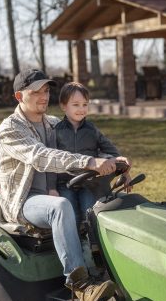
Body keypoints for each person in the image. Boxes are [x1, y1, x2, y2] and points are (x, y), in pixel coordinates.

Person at [0, 68, 123, 301]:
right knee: (61, 206)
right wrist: (88, 161)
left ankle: (105, 268)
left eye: (47, 90)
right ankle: (80, 284)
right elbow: (41, 157)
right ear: (19, 97)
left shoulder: (53, 123)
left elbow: (86, 141)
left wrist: (114, 159)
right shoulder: (10, 130)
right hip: (24, 200)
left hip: (54, 192)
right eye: (36, 92)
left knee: (103, 204)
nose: (44, 96)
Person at [52, 81, 131, 224]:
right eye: (76, 105)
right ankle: (75, 241)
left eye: (85, 104)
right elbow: (50, 161)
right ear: (64, 106)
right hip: (64, 183)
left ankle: (90, 242)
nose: (81, 109)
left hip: (88, 182)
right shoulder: (56, 131)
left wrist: (123, 167)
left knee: (90, 213)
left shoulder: (91, 130)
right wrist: (51, 187)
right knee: (69, 215)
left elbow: (110, 149)